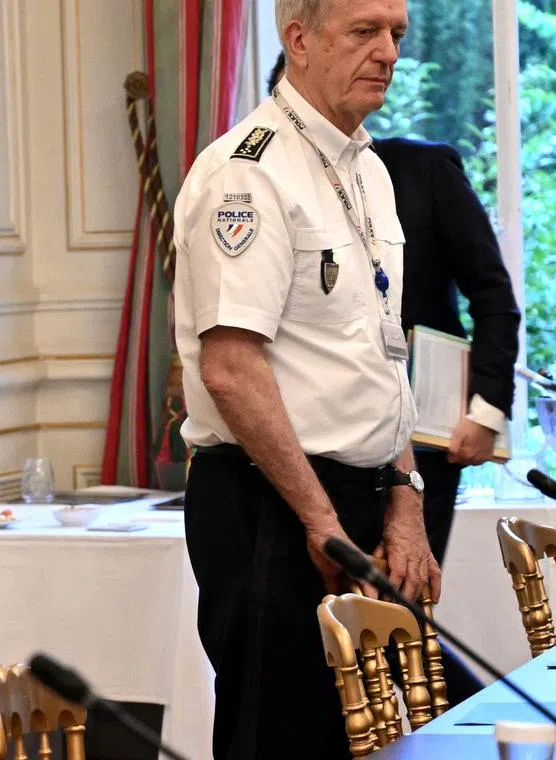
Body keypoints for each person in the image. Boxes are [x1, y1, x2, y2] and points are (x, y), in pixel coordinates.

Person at [171, 1, 440, 758]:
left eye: (397, 34)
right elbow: (231, 369)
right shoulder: (248, 172)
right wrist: (321, 522)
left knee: (348, 742)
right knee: (279, 737)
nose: (387, 52)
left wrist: (403, 498)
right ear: (297, 39)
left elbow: (382, 360)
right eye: (364, 32)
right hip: (270, 503)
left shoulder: (371, 170)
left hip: (348, 499)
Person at [275, 49, 520, 704]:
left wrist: (487, 412)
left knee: (396, 624)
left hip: (425, 443)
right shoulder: (270, 185)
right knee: (337, 642)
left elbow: (494, 298)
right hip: (317, 453)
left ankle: (496, 720)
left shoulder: (422, 170)